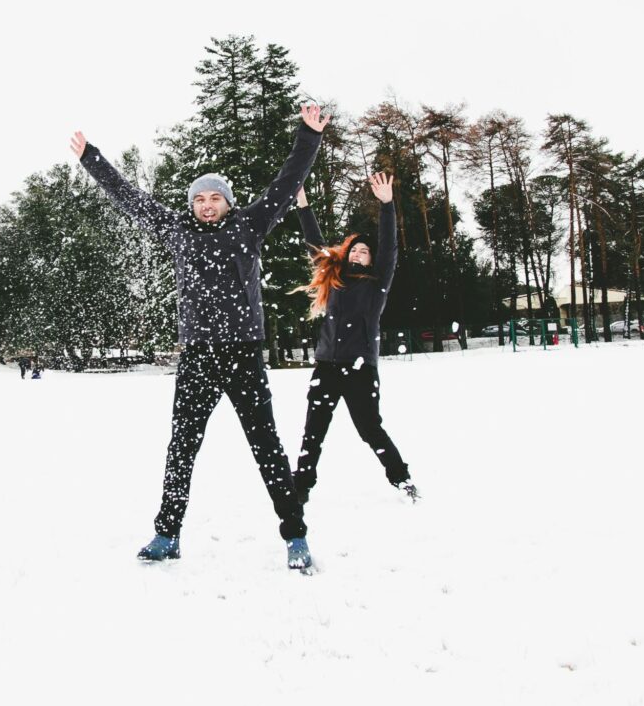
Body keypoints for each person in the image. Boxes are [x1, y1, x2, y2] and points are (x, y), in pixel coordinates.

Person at [69, 105, 330, 571]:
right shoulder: (177, 230)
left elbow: (287, 182)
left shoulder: (250, 225)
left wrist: (308, 136)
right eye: (200, 199)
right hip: (197, 356)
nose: (207, 205)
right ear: (191, 205)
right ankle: (167, 534)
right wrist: (92, 158)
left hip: (244, 353)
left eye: (215, 198)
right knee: (182, 446)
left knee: (267, 447)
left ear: (228, 202)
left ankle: (295, 535)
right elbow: (128, 197)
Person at [290, 173, 418, 508]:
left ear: (371, 260)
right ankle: (301, 485)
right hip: (326, 367)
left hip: (360, 368)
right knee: (313, 430)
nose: (359, 253)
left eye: (365, 251)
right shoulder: (332, 279)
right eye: (355, 250)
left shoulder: (377, 284)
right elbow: (315, 244)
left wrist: (387, 206)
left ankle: (402, 479)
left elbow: (389, 248)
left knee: (370, 429)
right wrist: (303, 204)